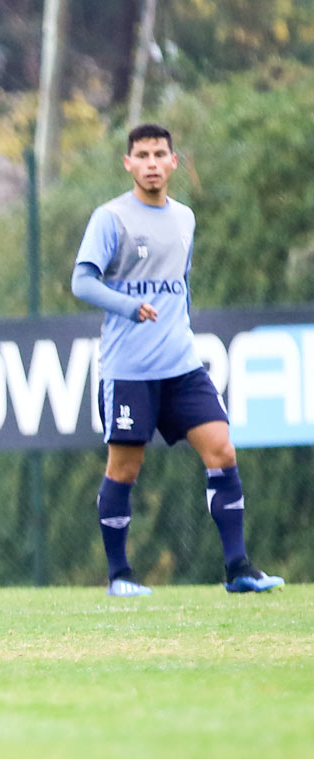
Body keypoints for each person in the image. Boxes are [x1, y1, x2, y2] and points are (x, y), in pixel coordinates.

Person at [71, 123, 284, 597]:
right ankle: (120, 575)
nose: (150, 163)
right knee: (124, 468)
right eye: (141, 155)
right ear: (128, 164)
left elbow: (180, 286)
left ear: (173, 162)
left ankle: (239, 569)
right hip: (129, 370)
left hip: (182, 367)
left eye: (159, 154)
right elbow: (81, 282)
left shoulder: (184, 218)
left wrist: (177, 325)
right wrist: (129, 306)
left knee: (222, 450)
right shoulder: (112, 218)